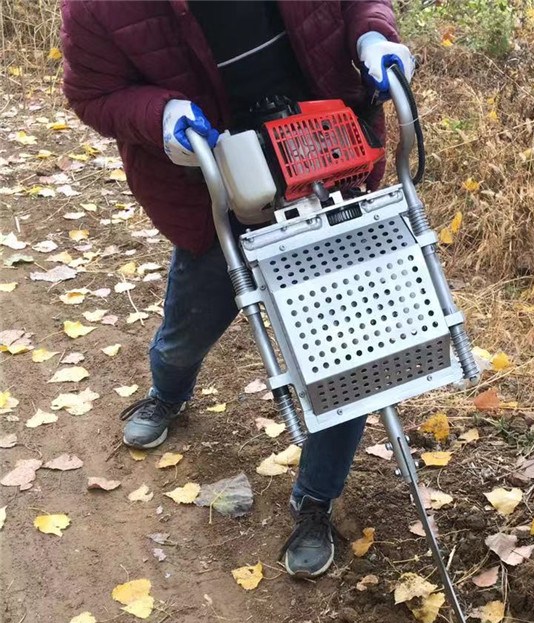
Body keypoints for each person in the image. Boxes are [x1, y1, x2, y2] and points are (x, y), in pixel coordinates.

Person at [60, 1, 414, 579]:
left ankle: (315, 499)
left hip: (329, 163)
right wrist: (163, 114)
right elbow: (92, 93)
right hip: (215, 191)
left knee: (347, 354)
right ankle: (169, 393)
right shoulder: (96, 7)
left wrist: (375, 40)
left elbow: (358, 5)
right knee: (187, 329)